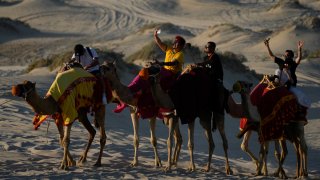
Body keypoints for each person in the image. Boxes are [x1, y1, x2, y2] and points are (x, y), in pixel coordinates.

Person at [113, 29, 186, 113]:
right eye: (175, 42)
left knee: (153, 78)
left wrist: (161, 63)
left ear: (180, 46)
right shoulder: (169, 49)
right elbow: (160, 44)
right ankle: (131, 89)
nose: (174, 44)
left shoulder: (180, 54)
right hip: (163, 69)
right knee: (145, 71)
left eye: (177, 43)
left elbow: (173, 63)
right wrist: (156, 36)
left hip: (171, 73)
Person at [194, 41, 225, 129]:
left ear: (213, 49)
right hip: (208, 78)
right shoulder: (205, 58)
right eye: (207, 47)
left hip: (217, 80)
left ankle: (218, 109)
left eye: (210, 47)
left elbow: (210, 63)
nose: (208, 48)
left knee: (218, 92)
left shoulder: (215, 57)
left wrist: (200, 64)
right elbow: (205, 68)